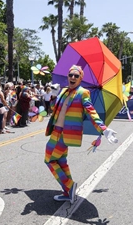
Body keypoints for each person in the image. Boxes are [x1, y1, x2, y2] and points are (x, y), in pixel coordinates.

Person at [44, 65, 116, 204]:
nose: (72, 77)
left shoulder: (83, 93)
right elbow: (54, 109)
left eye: (76, 76)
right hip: (56, 131)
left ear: (80, 78)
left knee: (49, 160)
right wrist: (54, 95)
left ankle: (69, 186)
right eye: (70, 75)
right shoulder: (64, 91)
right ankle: (68, 192)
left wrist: (103, 129)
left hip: (65, 134)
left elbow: (91, 112)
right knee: (61, 161)